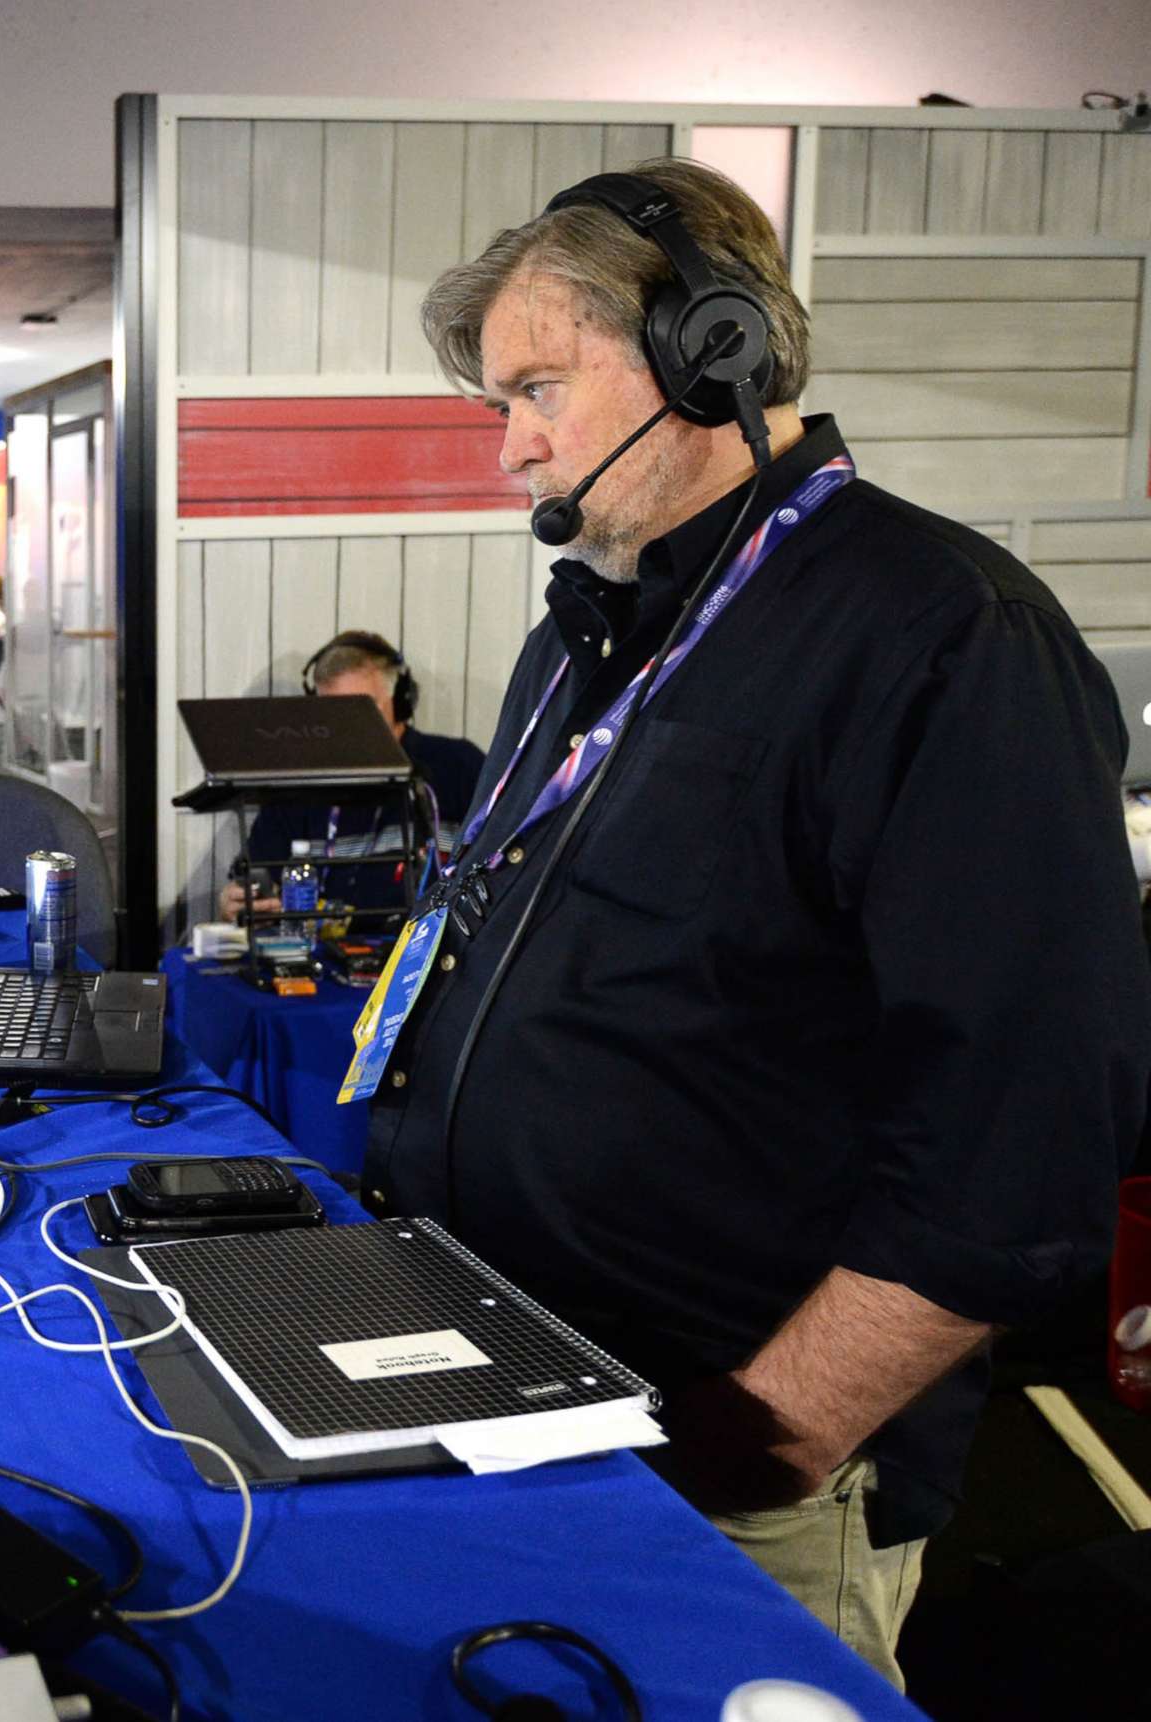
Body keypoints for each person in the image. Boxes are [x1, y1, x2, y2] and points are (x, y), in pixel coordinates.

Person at [369, 157, 1149, 1684]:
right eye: (496, 408)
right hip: (525, 1393)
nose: (511, 451)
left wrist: (764, 1441)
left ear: (707, 354)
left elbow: (1022, 1144)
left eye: (536, 390)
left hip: (727, 1470)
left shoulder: (945, 639)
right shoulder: (589, 628)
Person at [222, 631, 485, 916]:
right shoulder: (298, 785)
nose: (348, 727)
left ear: (400, 700)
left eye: (362, 708)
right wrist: (238, 902)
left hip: (429, 954)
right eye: (333, 713)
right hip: (324, 953)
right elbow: (254, 883)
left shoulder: (458, 765)